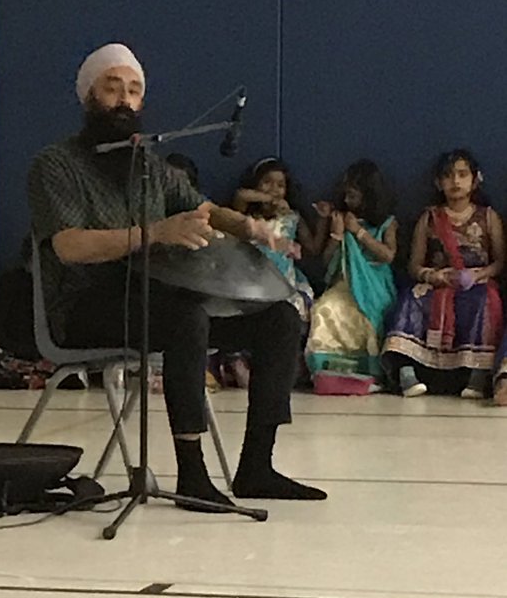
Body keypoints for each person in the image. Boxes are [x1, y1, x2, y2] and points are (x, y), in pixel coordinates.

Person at [27, 42, 326, 507]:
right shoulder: (56, 164)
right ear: (89, 96)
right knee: (186, 318)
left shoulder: (148, 164)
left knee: (280, 318)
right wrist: (155, 233)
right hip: (86, 305)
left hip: (155, 298)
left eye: (134, 91)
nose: (124, 101)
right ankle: (192, 475)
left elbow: (202, 207)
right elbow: (69, 246)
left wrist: (250, 228)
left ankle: (257, 467)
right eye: (113, 89)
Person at [383, 150, 504, 399]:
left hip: (476, 283)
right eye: (449, 176)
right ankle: (407, 371)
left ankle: (476, 376)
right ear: (439, 183)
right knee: (411, 299)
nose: (456, 182)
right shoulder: (429, 218)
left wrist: (478, 275)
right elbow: (414, 265)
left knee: (486, 300)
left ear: (475, 180)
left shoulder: (488, 217)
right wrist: (434, 277)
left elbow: (501, 261)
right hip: (438, 282)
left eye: (462, 175)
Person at [305, 160, 398, 381]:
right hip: (344, 284)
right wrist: (337, 235)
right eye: (346, 195)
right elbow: (327, 262)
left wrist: (358, 232)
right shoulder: (342, 218)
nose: (347, 201)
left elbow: (388, 255)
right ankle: (327, 370)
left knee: (367, 317)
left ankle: (367, 370)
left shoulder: (386, 223)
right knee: (324, 309)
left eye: (353, 196)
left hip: (374, 285)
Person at [232, 156, 321, 323]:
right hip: (251, 281)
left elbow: (313, 247)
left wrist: (324, 219)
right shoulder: (246, 216)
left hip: (283, 282)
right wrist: (271, 199)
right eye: (267, 182)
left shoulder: (292, 217)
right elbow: (241, 196)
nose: (273, 188)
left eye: (280, 185)